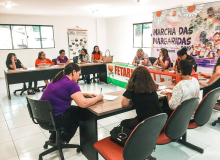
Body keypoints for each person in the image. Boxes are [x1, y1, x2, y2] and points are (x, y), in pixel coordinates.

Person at [40, 63, 103, 143]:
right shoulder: (71, 84)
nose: (79, 77)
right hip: (54, 119)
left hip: (44, 117)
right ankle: (63, 140)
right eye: (79, 74)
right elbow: (83, 104)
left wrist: (85, 94)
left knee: (75, 110)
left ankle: (52, 138)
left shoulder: (58, 79)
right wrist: (98, 98)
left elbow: (63, 93)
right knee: (81, 113)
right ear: (74, 72)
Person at [121, 66, 163, 131]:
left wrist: (133, 101)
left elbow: (124, 104)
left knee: (123, 123)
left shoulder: (132, 88)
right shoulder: (152, 87)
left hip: (146, 123)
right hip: (160, 121)